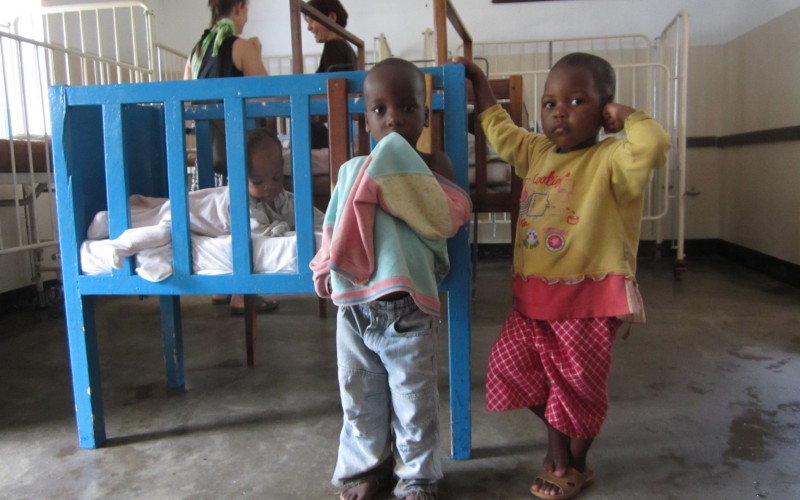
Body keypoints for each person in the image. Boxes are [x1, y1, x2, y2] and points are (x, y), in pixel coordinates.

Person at [455, 53, 670, 500]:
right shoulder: (536, 152)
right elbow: (498, 128)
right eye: (550, 102)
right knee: (506, 368)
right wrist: (478, 81)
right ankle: (558, 447)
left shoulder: (612, 159)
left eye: (577, 100)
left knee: (579, 389)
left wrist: (626, 116)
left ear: (604, 109)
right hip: (532, 301)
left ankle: (575, 463)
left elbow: (652, 144)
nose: (559, 110)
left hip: (589, 304)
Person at [309, 58, 472, 500]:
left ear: (425, 113)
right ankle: (368, 469)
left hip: (407, 306)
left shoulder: (433, 164)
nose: (394, 118)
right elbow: (335, 226)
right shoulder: (353, 169)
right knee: (359, 399)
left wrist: (399, 163)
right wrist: (325, 263)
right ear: (366, 119)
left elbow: (449, 215)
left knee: (414, 403)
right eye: (380, 110)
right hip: (354, 307)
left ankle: (417, 478)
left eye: (407, 107)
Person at [87, 129, 322, 301]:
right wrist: (286, 229)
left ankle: (118, 228)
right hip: (185, 213)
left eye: (276, 177)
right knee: (159, 229)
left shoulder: (275, 195)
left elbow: (293, 209)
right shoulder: (240, 201)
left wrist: (320, 223)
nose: (269, 186)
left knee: (162, 229)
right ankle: (110, 228)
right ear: (239, 177)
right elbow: (261, 234)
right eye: (258, 181)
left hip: (194, 217)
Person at [183, 0, 272, 313]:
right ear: (239, 8)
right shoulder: (242, 46)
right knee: (242, 217)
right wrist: (257, 53)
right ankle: (241, 293)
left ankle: (220, 287)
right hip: (236, 146)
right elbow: (265, 94)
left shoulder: (196, 51)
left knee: (216, 219)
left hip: (207, 151)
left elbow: (186, 97)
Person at [304, 0, 358, 149]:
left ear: (331, 17)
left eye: (311, 20)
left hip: (340, 122)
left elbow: (331, 90)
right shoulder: (345, 47)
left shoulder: (334, 46)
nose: (308, 27)